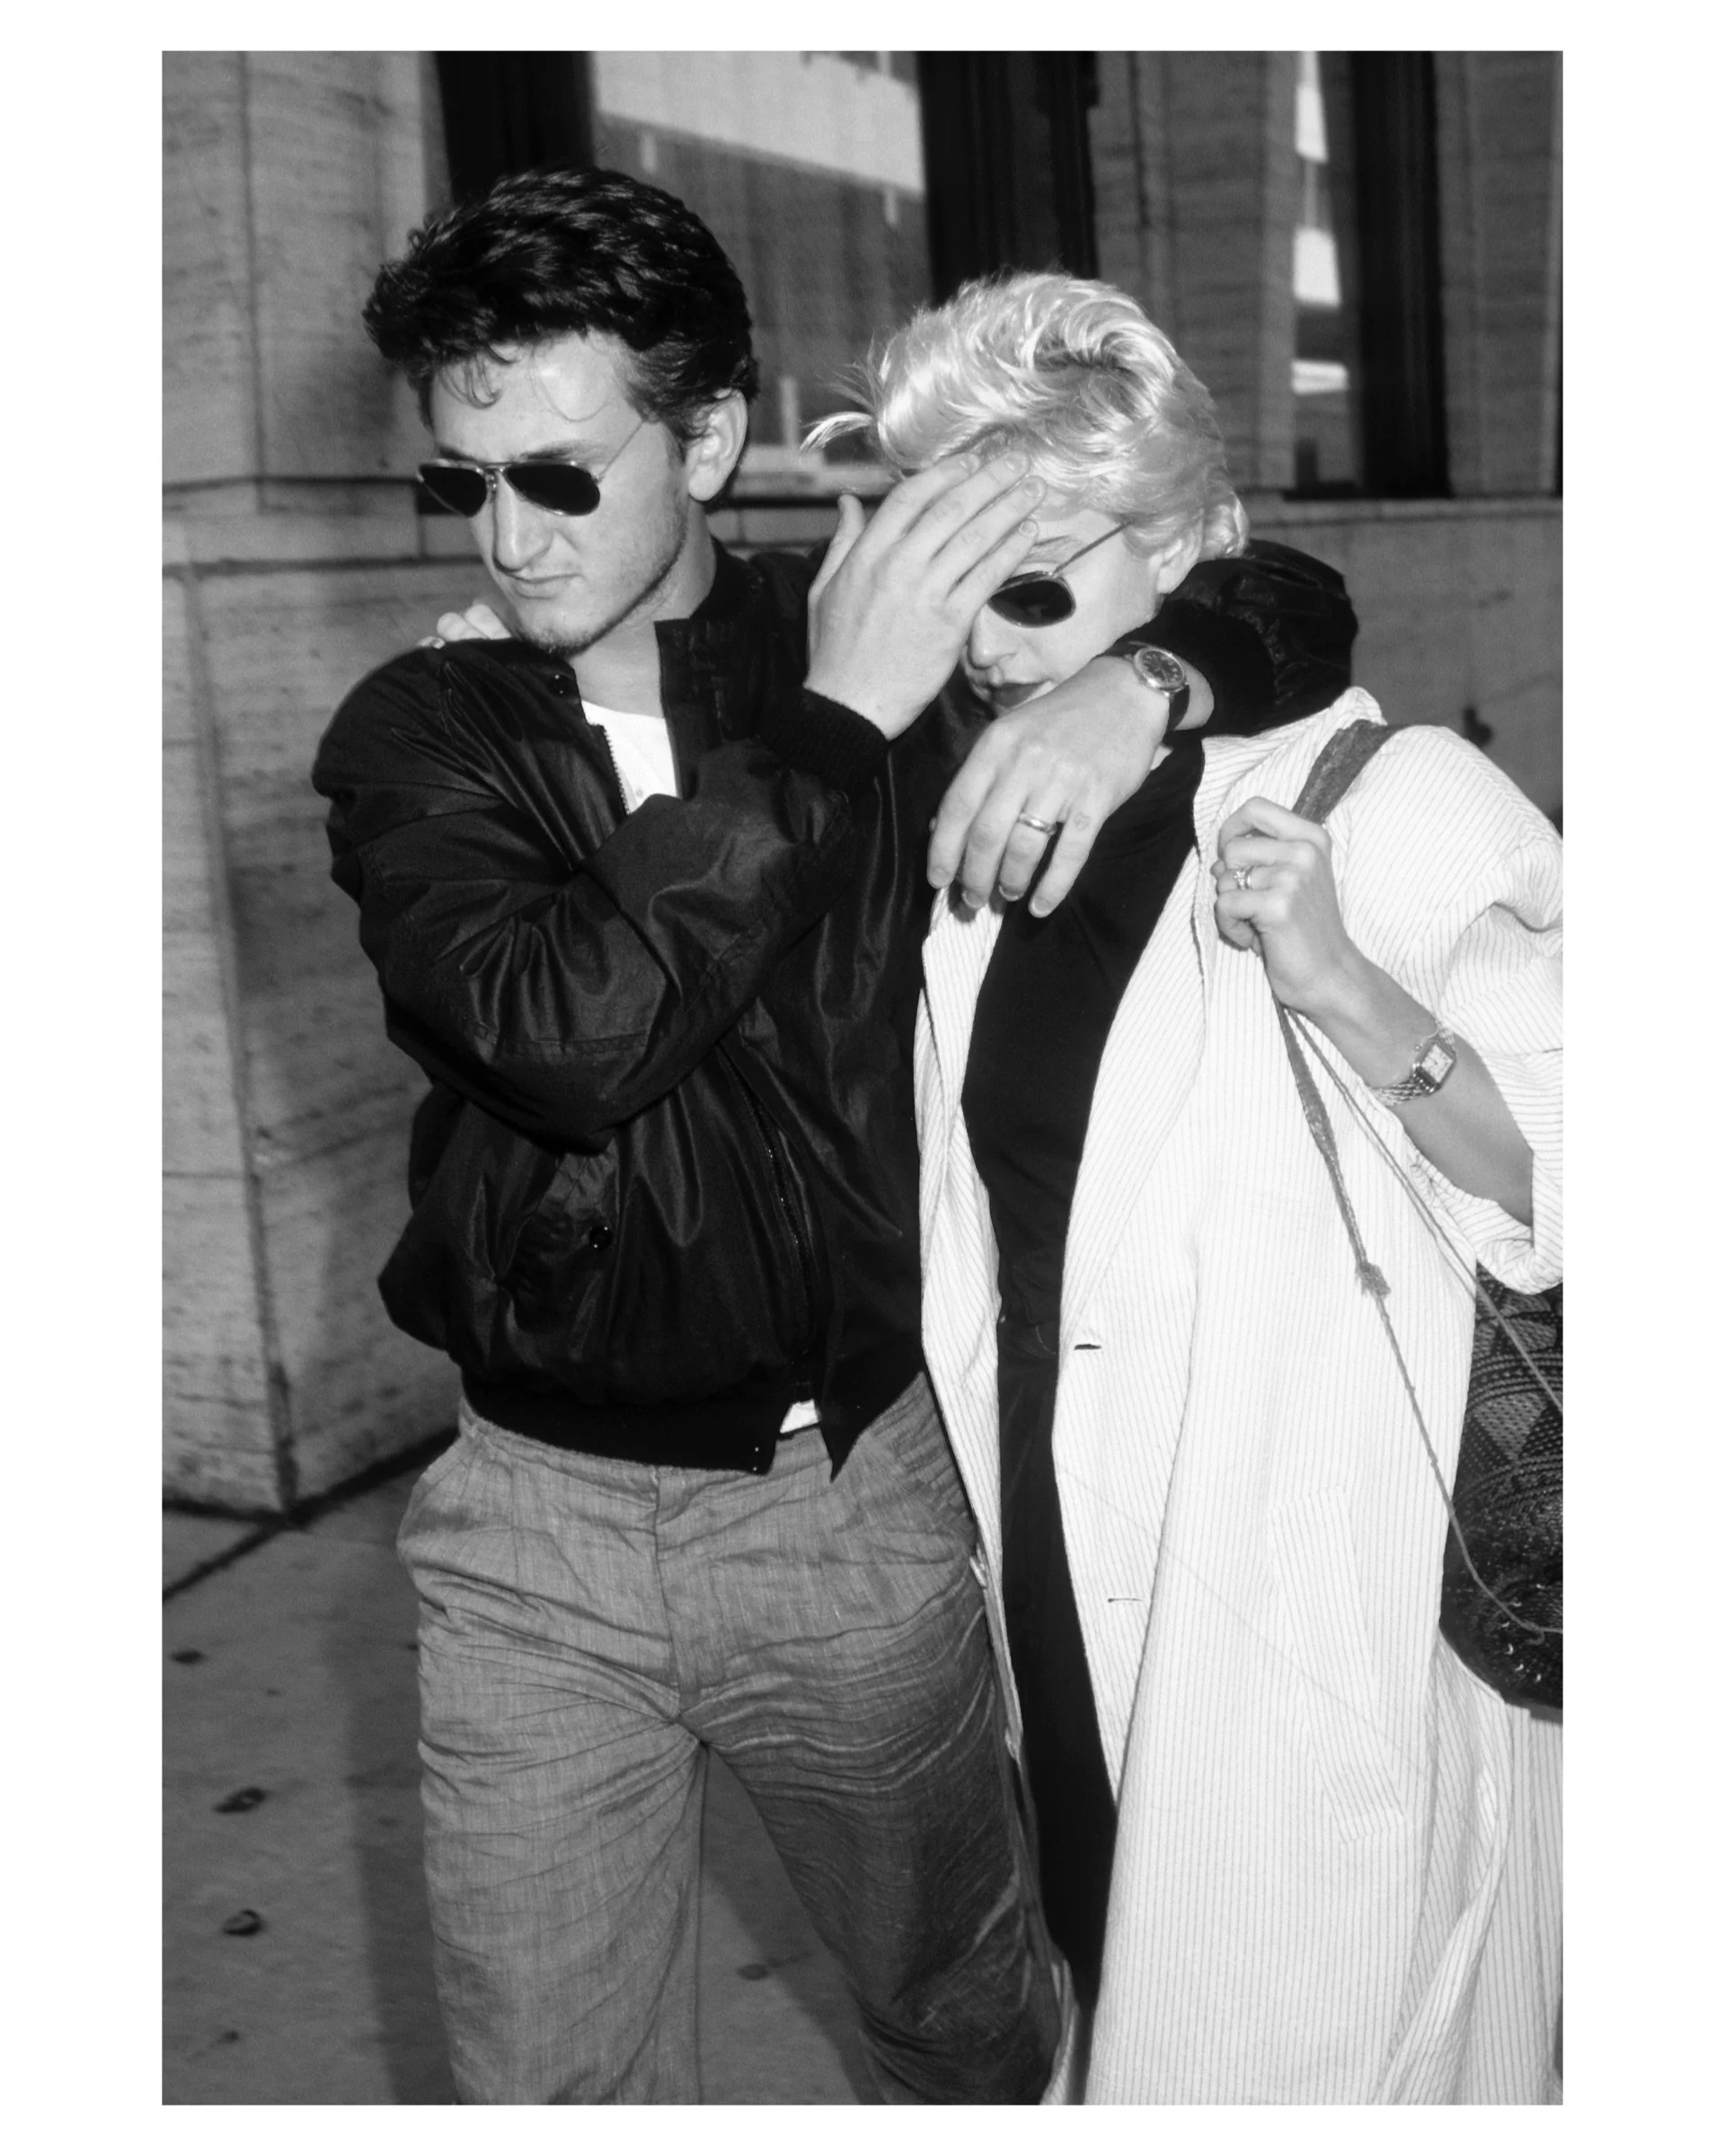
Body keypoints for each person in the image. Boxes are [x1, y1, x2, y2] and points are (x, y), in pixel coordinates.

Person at [311, 167, 1358, 2105]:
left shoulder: (901, 657)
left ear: (708, 436)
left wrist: (1141, 684)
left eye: (559, 473)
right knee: (551, 2090)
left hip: (850, 1510)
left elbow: (1282, 590)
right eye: (460, 485)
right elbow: (569, 1039)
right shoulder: (428, 731)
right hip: (528, 1529)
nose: (511, 539)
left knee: (958, 2026)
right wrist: (828, 727)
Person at [851, 273, 1564, 2102]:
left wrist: (1348, 987)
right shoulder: (974, 821)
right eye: (962, 594)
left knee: (1316, 2012)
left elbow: (1579, 1174)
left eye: (1043, 589)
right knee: (1119, 1951)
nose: (999, 656)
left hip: (1307, 1552)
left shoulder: (1392, 804)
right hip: (1049, 1530)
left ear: (1198, 547)